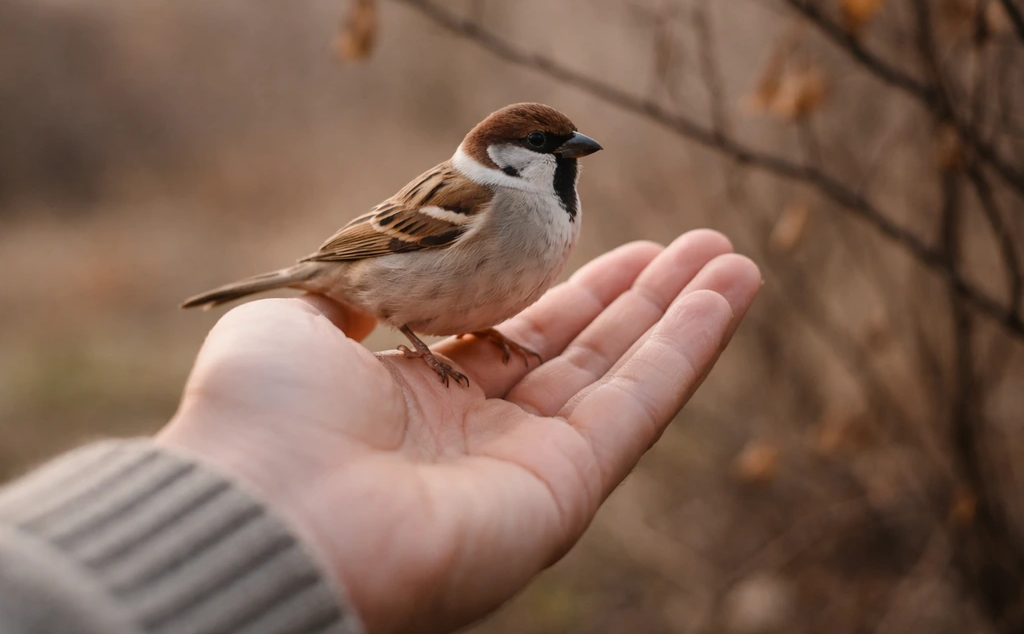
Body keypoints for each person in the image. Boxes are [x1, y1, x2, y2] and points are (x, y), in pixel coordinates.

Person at [0, 231, 760, 634]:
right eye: (547, 147)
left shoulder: (547, 211)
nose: (568, 160)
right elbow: (388, 255)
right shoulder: (475, 198)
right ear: (508, 158)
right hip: (377, 278)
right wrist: (424, 350)